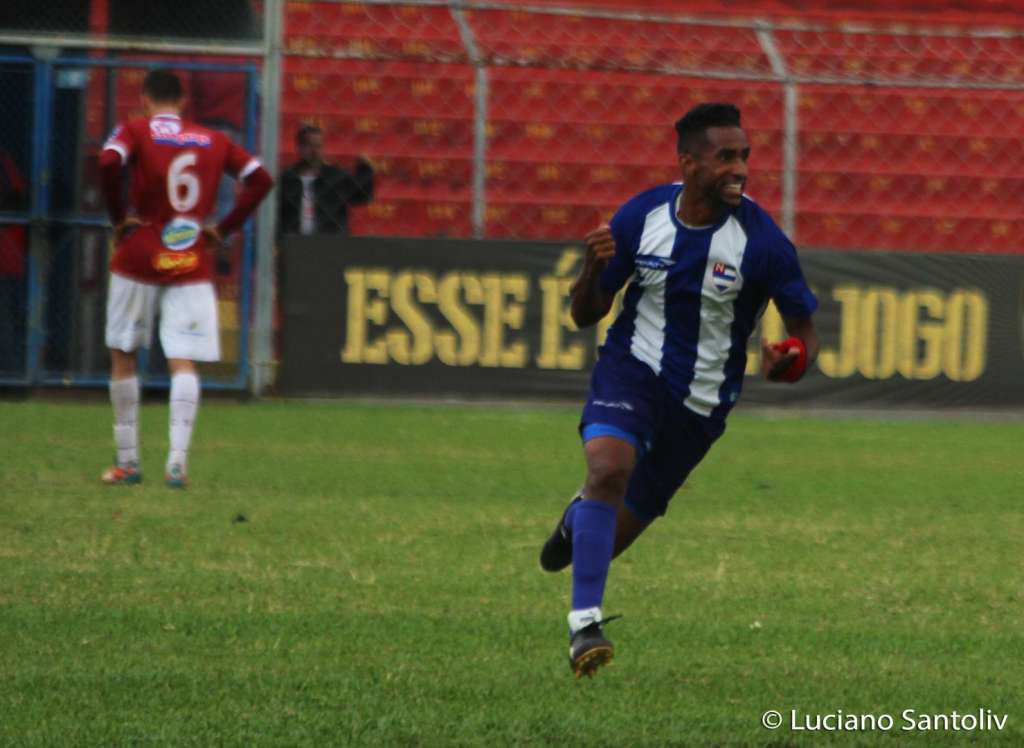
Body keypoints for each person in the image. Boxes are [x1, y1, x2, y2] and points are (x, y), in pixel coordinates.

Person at [538, 103, 820, 678]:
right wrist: (592, 272)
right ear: (689, 163)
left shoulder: (763, 243)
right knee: (608, 470)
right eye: (725, 157)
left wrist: (786, 361)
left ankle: (577, 523)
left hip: (702, 406)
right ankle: (583, 625)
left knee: (607, 537)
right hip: (632, 371)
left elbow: (804, 335)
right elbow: (583, 315)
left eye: (744, 156)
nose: (739, 168)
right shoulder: (642, 216)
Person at [98, 68, 273, 488]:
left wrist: (118, 218)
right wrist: (224, 228)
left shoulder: (135, 130)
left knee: (124, 353)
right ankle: (177, 463)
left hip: (139, 253)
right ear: (183, 103)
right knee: (183, 358)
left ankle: (128, 463)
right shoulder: (213, 139)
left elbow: (108, 162)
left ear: (144, 98)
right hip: (189, 255)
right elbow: (261, 179)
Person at [277, 125, 373, 237]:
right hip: (294, 242)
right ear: (299, 148)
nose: (314, 151)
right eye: (309, 146)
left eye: (318, 146)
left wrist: (365, 170)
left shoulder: (336, 177)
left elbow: (363, 196)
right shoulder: (287, 179)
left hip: (330, 243)